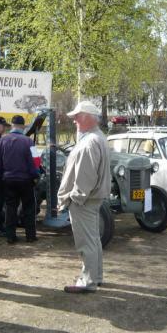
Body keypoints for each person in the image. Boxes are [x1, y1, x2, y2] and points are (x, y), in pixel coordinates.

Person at [57, 101, 111, 294]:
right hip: (91, 199)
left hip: (84, 201)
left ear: (87, 117)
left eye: (77, 117)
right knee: (93, 239)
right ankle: (95, 277)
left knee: (86, 242)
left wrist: (75, 199)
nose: (74, 121)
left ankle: (88, 281)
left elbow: (85, 177)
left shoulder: (89, 142)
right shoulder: (97, 138)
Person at [0, 115, 39, 244]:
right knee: (29, 208)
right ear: (23, 126)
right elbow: (36, 161)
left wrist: (2, 173)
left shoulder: (2, 140)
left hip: (8, 179)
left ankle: (10, 236)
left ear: (12, 125)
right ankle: (30, 236)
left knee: (10, 207)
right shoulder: (29, 141)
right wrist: (35, 175)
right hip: (26, 180)